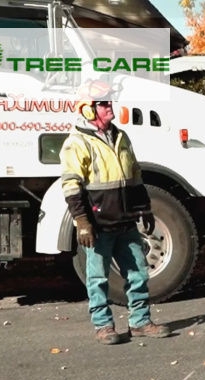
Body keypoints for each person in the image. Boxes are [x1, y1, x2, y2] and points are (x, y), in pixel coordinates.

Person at [60, 79, 172, 345]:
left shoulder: (121, 136)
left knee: (139, 273)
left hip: (125, 221)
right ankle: (103, 326)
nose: (110, 107)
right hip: (98, 226)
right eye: (104, 103)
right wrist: (82, 221)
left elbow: (134, 176)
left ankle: (140, 322)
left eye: (110, 101)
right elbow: (71, 184)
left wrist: (144, 208)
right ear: (88, 109)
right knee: (97, 278)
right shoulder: (77, 142)